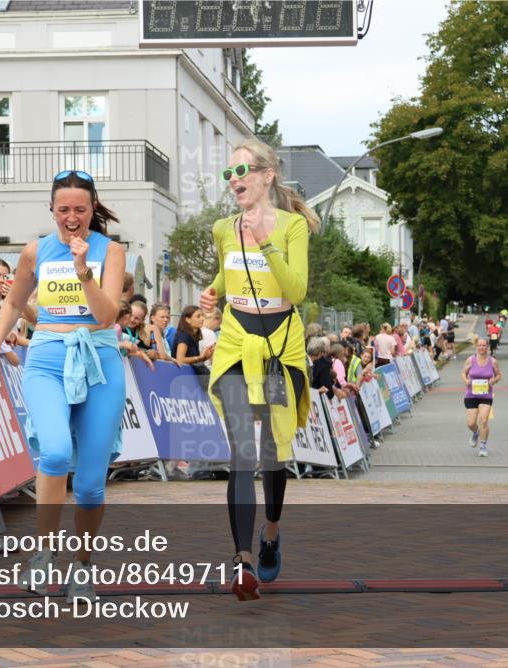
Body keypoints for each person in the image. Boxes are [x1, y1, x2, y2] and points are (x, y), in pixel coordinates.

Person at [0, 170, 125, 603]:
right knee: (57, 451)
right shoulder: (34, 250)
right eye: (64, 209)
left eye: (80, 209)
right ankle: (43, 554)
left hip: (98, 359)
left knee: (91, 486)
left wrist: (84, 272)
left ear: (93, 208)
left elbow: (107, 317)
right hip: (45, 357)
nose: (72, 217)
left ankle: (82, 567)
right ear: (52, 209)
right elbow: (11, 302)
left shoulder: (110, 252)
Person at [199, 139, 314, 601]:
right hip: (233, 345)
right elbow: (228, 278)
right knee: (242, 454)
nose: (235, 181)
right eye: (228, 174)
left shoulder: (292, 226)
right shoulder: (222, 228)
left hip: (280, 346)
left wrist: (264, 241)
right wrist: (211, 291)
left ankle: (270, 531)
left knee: (272, 454)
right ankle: (242, 561)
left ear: (267, 175)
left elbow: (297, 289)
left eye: (242, 171)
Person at [462, 338, 502, 457]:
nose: (481, 348)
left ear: (487, 347)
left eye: (484, 345)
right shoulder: (471, 359)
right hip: (471, 394)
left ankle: (483, 446)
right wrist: (466, 381)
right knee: (470, 423)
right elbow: (463, 373)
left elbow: (499, 375)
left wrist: (494, 380)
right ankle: (475, 432)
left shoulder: (493, 361)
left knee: (483, 420)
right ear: (476, 346)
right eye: (479, 345)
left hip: (486, 394)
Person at [173, 305, 214, 372]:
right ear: (188, 319)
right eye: (198, 316)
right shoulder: (183, 335)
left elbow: (192, 360)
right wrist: (199, 358)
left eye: (202, 316)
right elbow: (180, 360)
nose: (202, 319)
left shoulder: (194, 336)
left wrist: (204, 357)